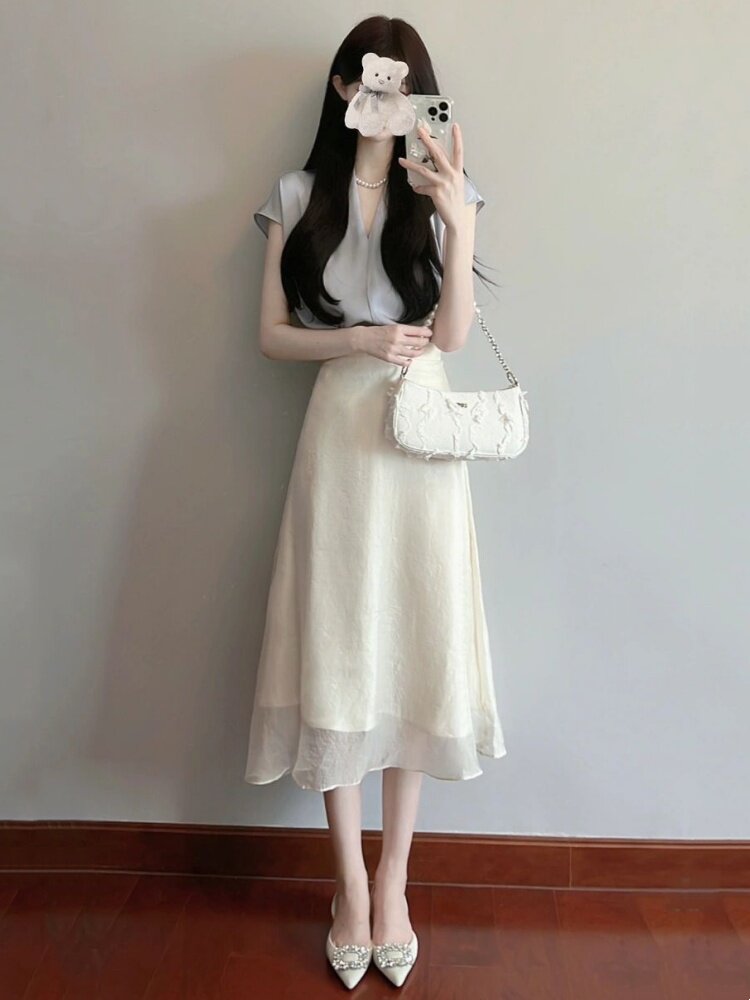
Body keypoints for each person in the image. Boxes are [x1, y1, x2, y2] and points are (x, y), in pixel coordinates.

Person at [245, 15, 507, 989]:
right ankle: (348, 888)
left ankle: (394, 881)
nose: (383, 99)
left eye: (402, 85)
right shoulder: (296, 193)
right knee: (340, 641)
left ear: (420, 94)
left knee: (414, 639)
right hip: (339, 436)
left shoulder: (442, 192)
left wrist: (456, 216)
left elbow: (453, 338)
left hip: (423, 438)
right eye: (369, 81)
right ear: (344, 86)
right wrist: (355, 339)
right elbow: (272, 336)